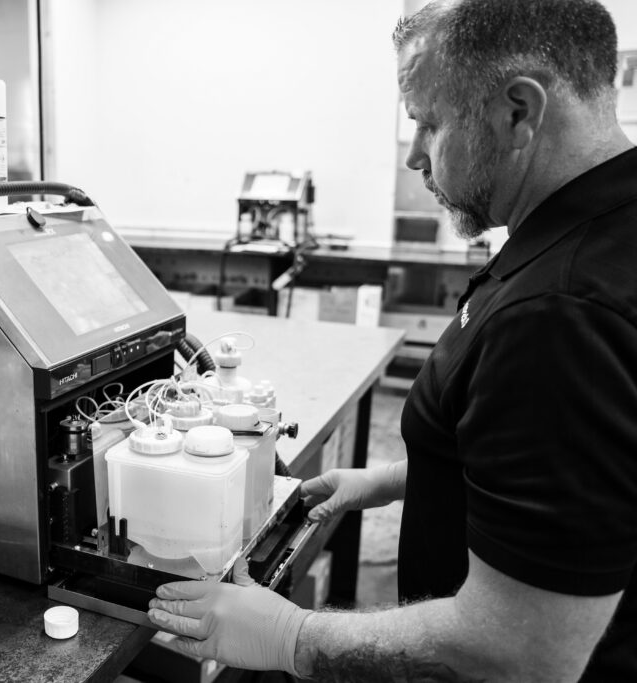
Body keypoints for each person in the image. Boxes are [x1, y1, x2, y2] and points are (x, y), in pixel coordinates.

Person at [148, 0, 637, 680]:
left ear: (518, 111)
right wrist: (401, 478)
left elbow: (523, 650)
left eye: (429, 123)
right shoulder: (600, 228)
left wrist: (294, 633)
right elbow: (571, 476)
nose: (414, 155)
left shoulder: (561, 312)